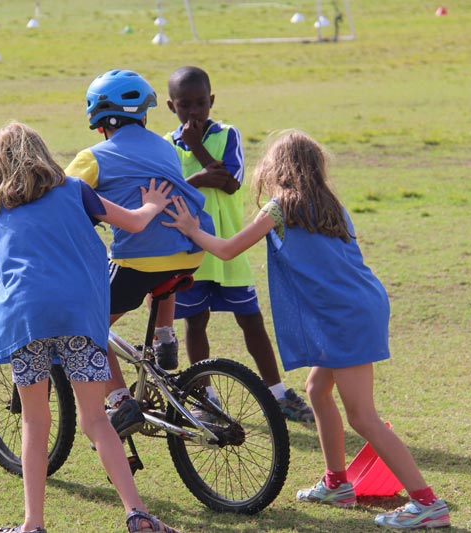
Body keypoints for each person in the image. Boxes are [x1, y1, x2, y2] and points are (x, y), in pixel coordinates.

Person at [163, 129, 450, 529]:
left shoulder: (279, 208)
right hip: (358, 306)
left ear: (277, 169)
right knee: (317, 389)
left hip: (344, 316)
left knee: (362, 416)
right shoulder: (330, 204)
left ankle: (427, 503)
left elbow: (228, 250)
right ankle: (337, 484)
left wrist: (191, 228)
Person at [0, 121, 180, 533]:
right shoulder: (77, 191)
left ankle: (33, 524)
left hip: (26, 322)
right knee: (95, 419)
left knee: (34, 420)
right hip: (79, 317)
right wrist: (151, 204)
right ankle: (136, 513)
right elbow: (134, 222)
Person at [64, 69, 215, 437]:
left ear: (100, 122)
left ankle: (119, 401)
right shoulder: (164, 147)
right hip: (191, 249)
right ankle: (165, 337)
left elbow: (60, 198)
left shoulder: (92, 157)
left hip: (140, 259)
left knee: (86, 325)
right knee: (161, 273)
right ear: (144, 116)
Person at [163, 65, 314, 422]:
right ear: (171, 107)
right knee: (195, 323)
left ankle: (278, 394)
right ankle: (207, 399)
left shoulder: (228, 135)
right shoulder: (165, 146)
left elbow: (230, 183)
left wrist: (197, 149)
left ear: (212, 100)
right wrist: (201, 177)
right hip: (190, 252)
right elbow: (170, 192)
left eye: (201, 103)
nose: (194, 111)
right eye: (185, 105)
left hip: (231, 248)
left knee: (251, 320)